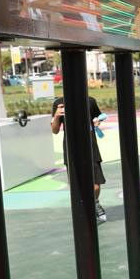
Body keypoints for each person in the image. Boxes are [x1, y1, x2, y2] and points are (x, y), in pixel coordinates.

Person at [51, 94, 107, 223]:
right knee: (76, 185)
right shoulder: (59, 103)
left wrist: (98, 121)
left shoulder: (90, 101)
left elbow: (98, 117)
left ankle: (95, 203)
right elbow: (54, 130)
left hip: (90, 147)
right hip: (71, 149)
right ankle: (83, 209)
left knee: (96, 185)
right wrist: (56, 115)